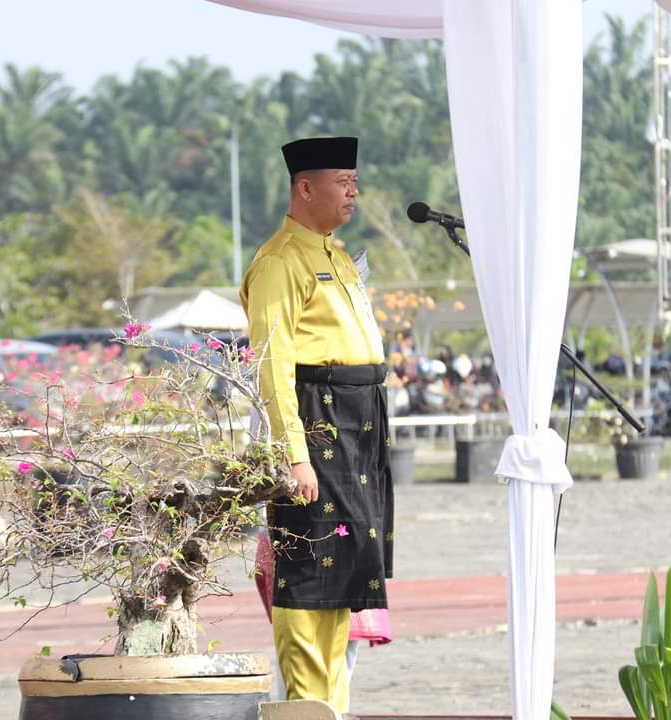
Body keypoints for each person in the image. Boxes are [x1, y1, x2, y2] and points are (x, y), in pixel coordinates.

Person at [240, 136, 394, 712]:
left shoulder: (336, 256)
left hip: (358, 427)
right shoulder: (282, 261)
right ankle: (307, 706)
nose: (353, 191)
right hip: (318, 425)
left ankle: (330, 709)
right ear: (305, 188)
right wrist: (293, 453)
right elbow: (274, 366)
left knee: (343, 586)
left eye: (356, 181)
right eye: (341, 181)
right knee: (309, 580)